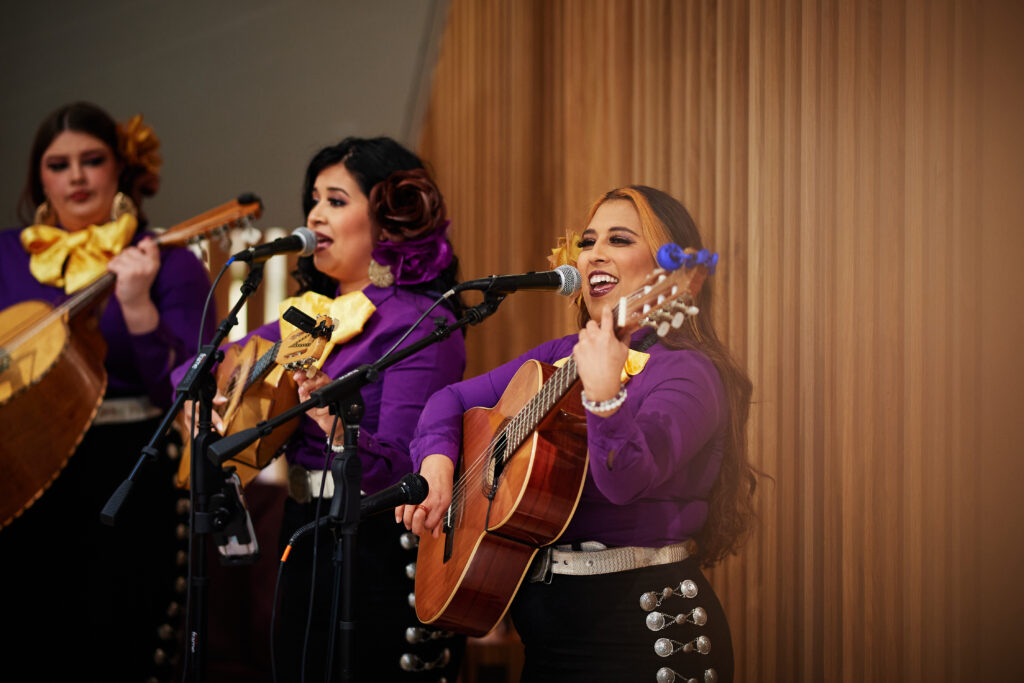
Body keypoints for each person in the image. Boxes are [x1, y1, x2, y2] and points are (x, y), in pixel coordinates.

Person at [400, 185, 758, 683]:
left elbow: (625, 479)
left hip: (642, 632)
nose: (594, 255)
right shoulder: (561, 354)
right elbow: (449, 400)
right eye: (588, 241)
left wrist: (605, 393)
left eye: (619, 239)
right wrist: (437, 465)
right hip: (549, 639)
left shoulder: (689, 374)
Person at [179, 137, 467, 682]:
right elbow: (195, 364)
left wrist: (338, 425)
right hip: (303, 529)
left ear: (389, 217)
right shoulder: (311, 316)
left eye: (336, 200)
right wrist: (196, 399)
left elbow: (408, 465)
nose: (314, 214)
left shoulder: (424, 321)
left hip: (380, 541)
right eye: (313, 199)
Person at [0, 101, 216, 680]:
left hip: (128, 466)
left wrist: (139, 306)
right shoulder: (4, 255)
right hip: (19, 469)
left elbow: (191, 387)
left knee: (118, 637)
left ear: (120, 169)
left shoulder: (169, 265)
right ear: (38, 177)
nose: (76, 176)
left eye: (91, 160)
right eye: (58, 164)